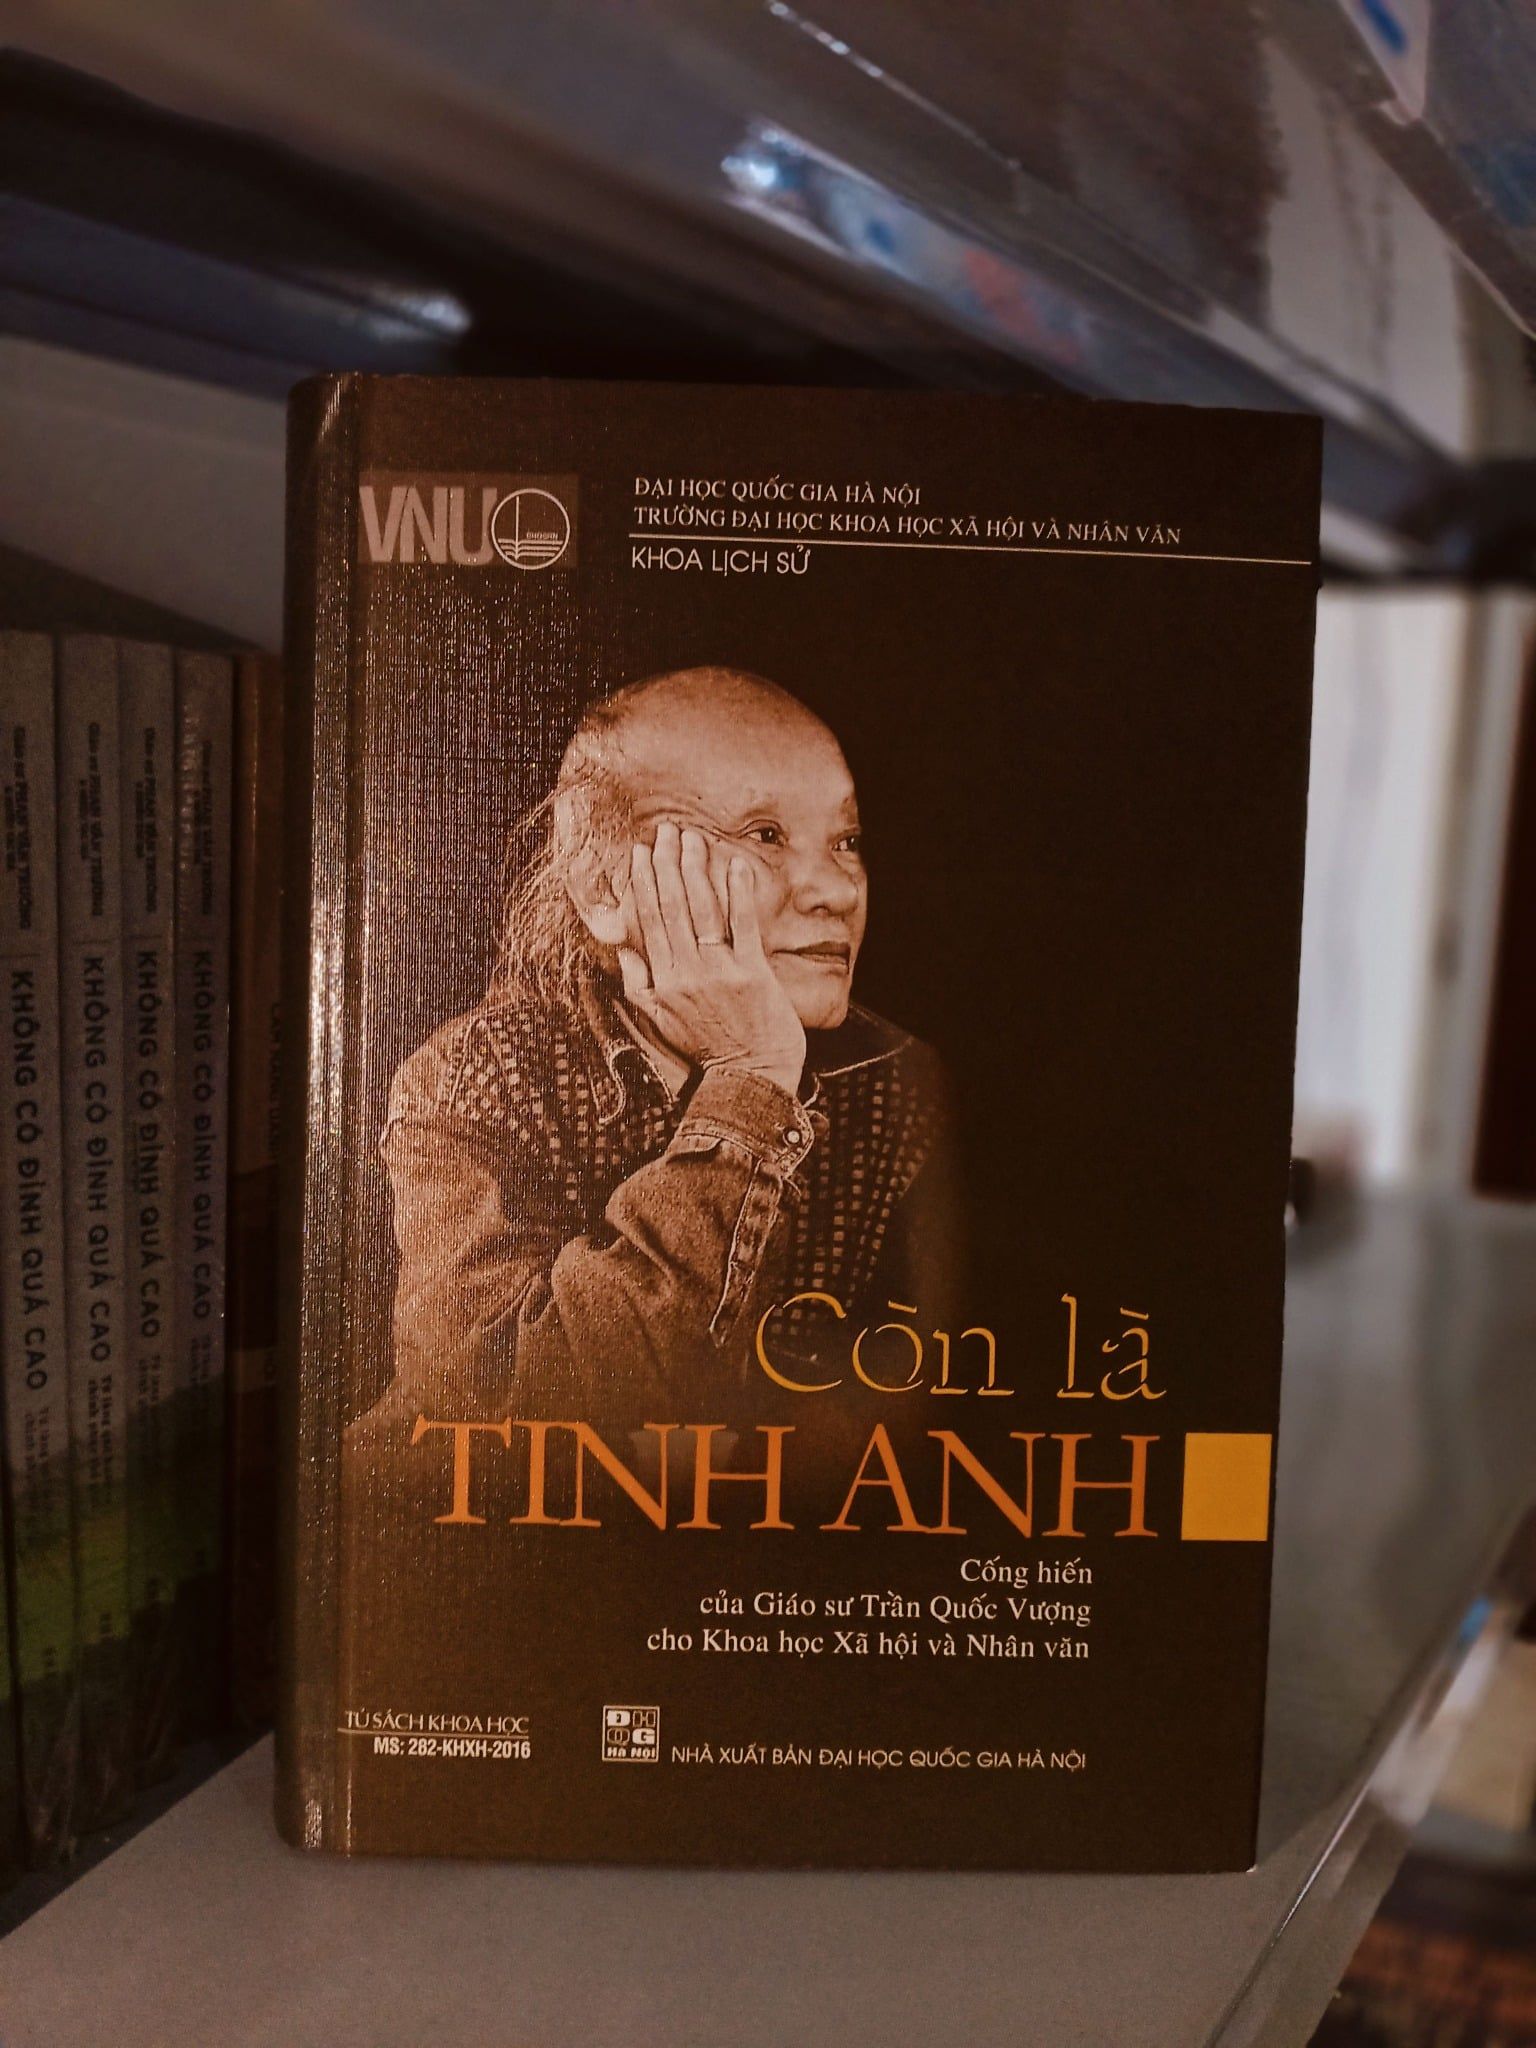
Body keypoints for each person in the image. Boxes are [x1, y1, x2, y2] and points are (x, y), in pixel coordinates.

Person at [375, 665, 958, 1438]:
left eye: (847, 841)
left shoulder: (906, 1088)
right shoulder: (478, 1077)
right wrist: (749, 1081)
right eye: (765, 834)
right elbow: (496, 1416)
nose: (839, 891)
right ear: (601, 882)